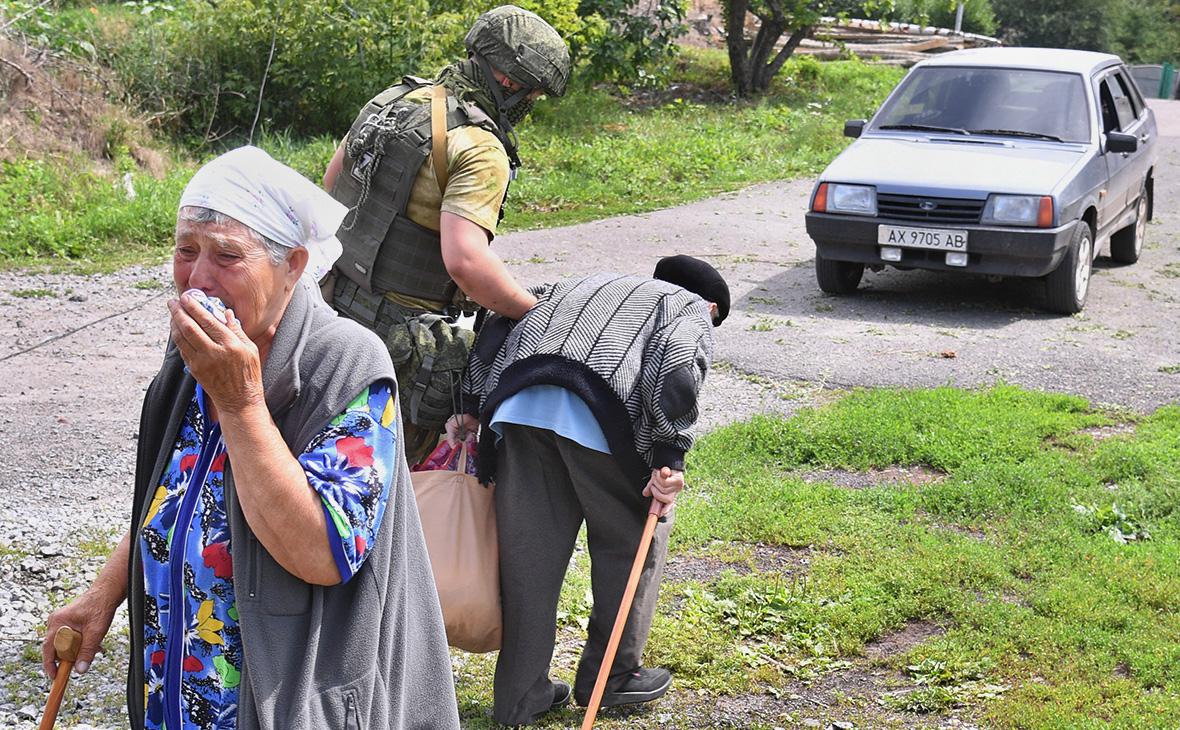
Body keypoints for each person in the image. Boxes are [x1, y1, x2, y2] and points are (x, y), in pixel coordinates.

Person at [41, 146, 460, 730]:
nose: (199, 278)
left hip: (287, 702)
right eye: (186, 252)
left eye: (227, 255)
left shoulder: (343, 364)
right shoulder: (194, 354)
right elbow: (178, 489)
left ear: (292, 264)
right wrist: (106, 593)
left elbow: (322, 552)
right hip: (181, 690)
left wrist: (239, 400)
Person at [451, 255, 730, 725]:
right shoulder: (686, 306)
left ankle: (520, 696)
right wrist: (669, 457)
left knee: (529, 559)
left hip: (519, 411)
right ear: (709, 305)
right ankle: (614, 675)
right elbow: (680, 364)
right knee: (633, 538)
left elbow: (500, 320)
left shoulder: (578, 282)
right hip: (601, 414)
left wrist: (474, 402)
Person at [322, 4, 571, 465]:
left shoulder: (393, 100)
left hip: (328, 309)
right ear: (510, 84)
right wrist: (533, 313)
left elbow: (331, 188)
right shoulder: (479, 147)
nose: (528, 107)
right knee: (384, 485)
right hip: (397, 350)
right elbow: (466, 263)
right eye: (531, 96)